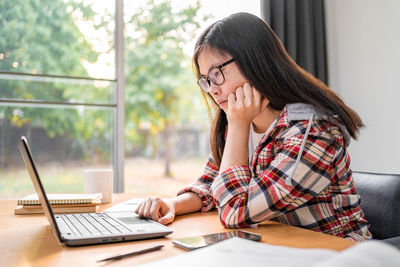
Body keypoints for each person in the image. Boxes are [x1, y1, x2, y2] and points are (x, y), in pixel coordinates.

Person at [135, 12, 372, 241]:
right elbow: (212, 183)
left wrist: (238, 125)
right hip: (277, 248)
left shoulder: (314, 132)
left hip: (339, 254)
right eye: (207, 80)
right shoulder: (241, 123)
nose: (213, 89)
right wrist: (172, 205)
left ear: (255, 61)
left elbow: (234, 211)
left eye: (217, 73)